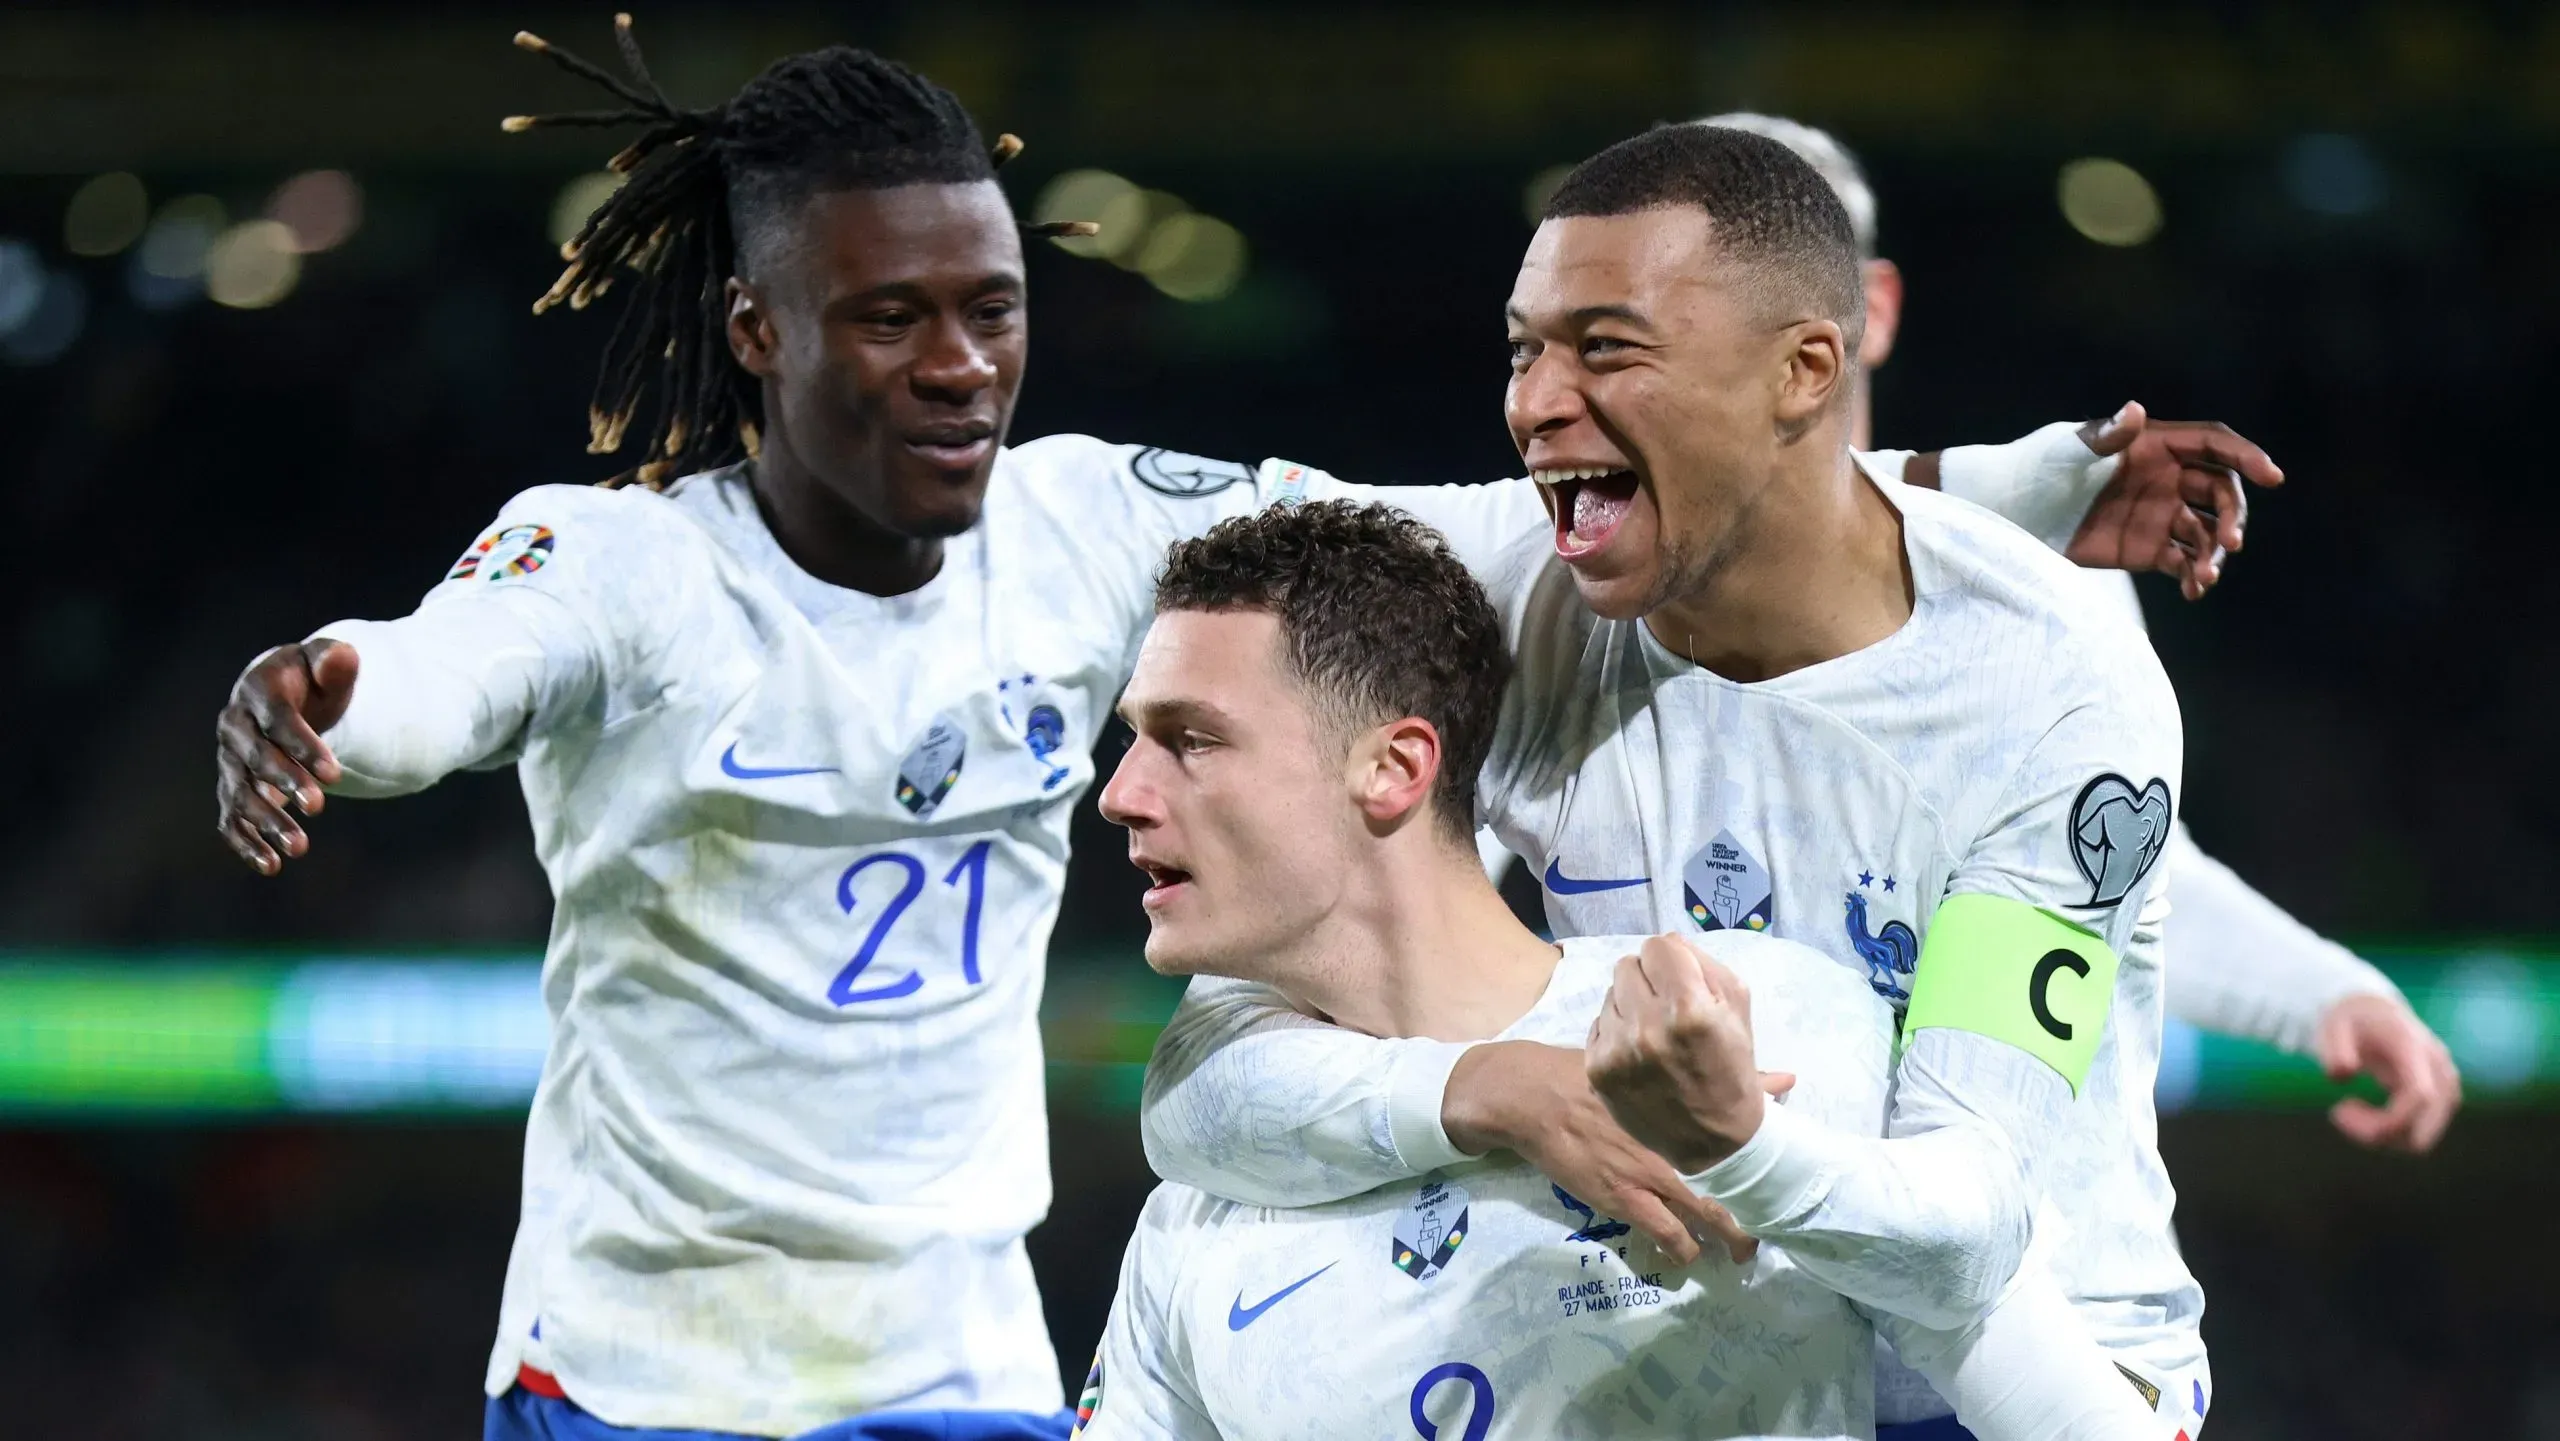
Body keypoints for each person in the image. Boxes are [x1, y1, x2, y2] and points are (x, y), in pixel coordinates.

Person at [207, 27, 2258, 1439]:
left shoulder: (1085, 524)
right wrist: (327, 702)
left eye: (990, 310)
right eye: (891, 319)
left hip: (958, 1350)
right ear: (759, 331)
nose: (960, 368)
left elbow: (1501, 527)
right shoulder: (629, 563)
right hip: (648, 1371)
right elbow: (437, 667)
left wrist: (2004, 484)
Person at [1139, 124, 2220, 1439]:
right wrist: (1486, 1085)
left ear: (1805, 370)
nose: (1536, 401)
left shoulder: (2047, 690)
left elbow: (1963, 1226)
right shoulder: (1507, 581)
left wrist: (1740, 1144)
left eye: (1605, 347)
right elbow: (1200, 1091)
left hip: (2006, 1373)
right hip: (1712, 1348)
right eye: (1524, 348)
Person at [1076, 500, 2161, 1440]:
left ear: (1394, 768)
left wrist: (1744, 1145)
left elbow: (2064, 1400)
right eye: (1133, 736)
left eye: (1192, 738)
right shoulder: (1217, 1177)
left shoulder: (1754, 1026)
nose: (1119, 792)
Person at [1699, 110, 2460, 1158]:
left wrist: (2319, 991)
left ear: (1870, 309)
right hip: (1703, 1241)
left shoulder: (2034, 557)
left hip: (1993, 1233)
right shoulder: (1582, 587)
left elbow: (2116, 864)